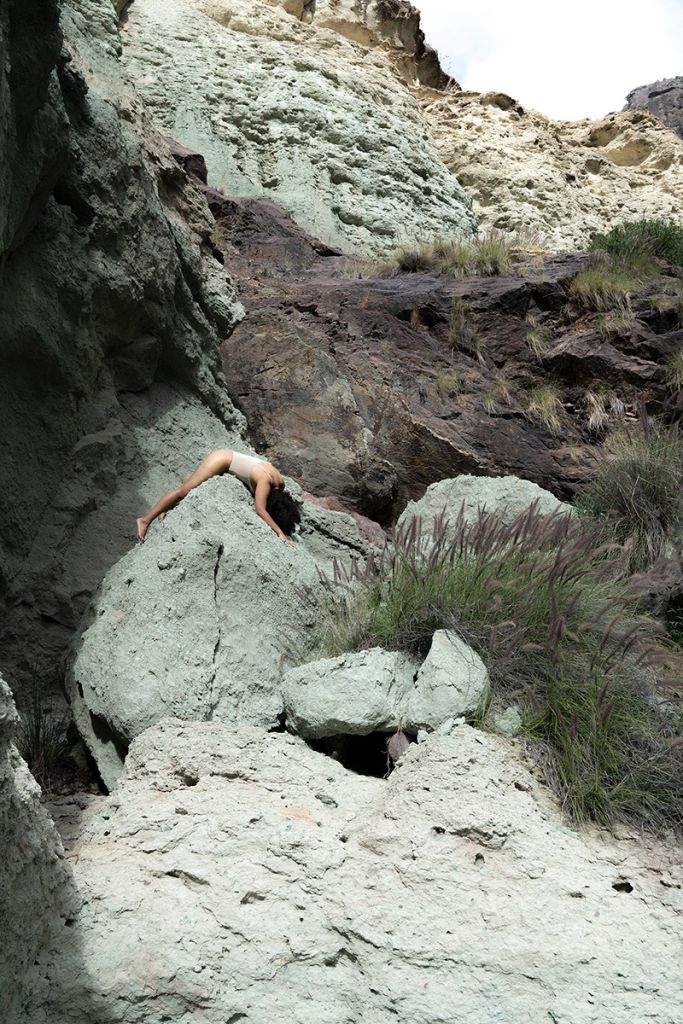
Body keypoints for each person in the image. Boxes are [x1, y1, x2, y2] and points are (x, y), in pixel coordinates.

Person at [135, 449, 301, 546]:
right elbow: (260, 509)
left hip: (230, 457)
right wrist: (280, 533)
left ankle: (166, 508)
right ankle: (145, 520)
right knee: (183, 491)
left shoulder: (280, 483)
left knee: (190, 490)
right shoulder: (265, 482)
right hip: (222, 459)